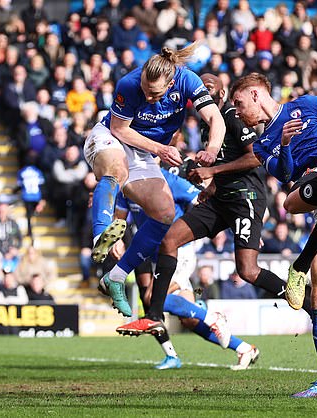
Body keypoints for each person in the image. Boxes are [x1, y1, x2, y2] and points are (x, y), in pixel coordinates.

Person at [118, 73, 308, 338]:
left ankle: (309, 304)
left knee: (248, 270)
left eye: (210, 88)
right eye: (201, 88)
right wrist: (212, 186)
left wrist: (213, 172)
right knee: (169, 240)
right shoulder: (209, 125)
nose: (203, 92)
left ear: (221, 94)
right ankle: (154, 315)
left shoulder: (230, 115)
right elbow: (225, 163)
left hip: (245, 198)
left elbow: (256, 157)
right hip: (221, 199)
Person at [84, 43, 225, 317]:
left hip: (143, 150)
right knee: (116, 169)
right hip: (113, 137)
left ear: (172, 82)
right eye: (146, 90)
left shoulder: (187, 81)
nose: (148, 97)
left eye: (155, 93)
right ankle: (101, 234)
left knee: (164, 213)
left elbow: (214, 118)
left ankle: (115, 277)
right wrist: (160, 149)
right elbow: (119, 128)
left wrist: (211, 151)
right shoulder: (129, 84)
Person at [230, 72, 317, 397]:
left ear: (256, 94)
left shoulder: (305, 105)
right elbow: (286, 174)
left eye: (239, 103)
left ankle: (299, 265)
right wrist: (285, 144)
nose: (238, 111)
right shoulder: (263, 144)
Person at [111, 167, 259, 370]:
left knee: (151, 298)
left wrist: (240, 229)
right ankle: (243, 348)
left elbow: (205, 202)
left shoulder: (168, 182)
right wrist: (116, 239)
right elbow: (119, 217)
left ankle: (211, 317)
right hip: (151, 254)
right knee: (188, 319)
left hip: (178, 252)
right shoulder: (126, 186)